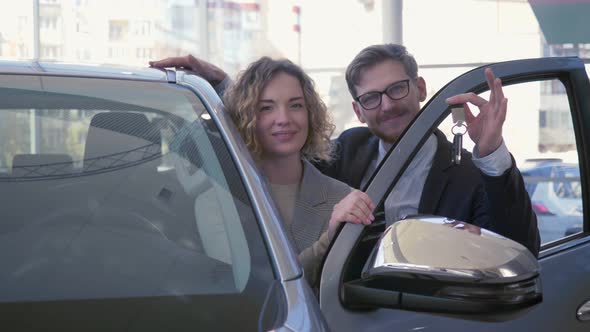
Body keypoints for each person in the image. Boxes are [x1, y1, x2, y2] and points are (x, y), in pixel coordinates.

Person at [149, 44, 540, 257]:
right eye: (371, 98)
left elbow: (521, 249)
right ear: (357, 110)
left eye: (397, 89)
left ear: (421, 89)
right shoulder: (346, 152)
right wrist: (226, 90)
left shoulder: (471, 174)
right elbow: (276, 136)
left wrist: (491, 153)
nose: (386, 106)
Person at [151, 56, 375, 288]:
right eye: (266, 108)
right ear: (247, 118)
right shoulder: (216, 203)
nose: (284, 119)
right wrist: (329, 241)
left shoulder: (344, 199)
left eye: (296, 105)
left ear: (311, 114)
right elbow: (262, 292)